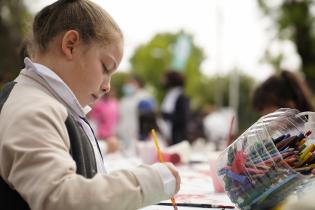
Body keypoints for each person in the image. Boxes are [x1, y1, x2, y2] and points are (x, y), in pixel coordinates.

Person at [0, 1, 180, 210]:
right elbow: (62, 198)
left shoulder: (44, 102)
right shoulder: (33, 110)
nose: (107, 86)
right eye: (106, 67)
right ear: (71, 45)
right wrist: (151, 181)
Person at [160, 70, 190, 145]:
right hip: (169, 136)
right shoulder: (169, 95)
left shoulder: (181, 97)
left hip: (177, 138)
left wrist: (166, 115)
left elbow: (182, 118)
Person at [88, 90, 120, 154]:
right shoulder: (100, 104)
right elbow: (93, 119)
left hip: (109, 133)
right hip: (105, 134)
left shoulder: (113, 103)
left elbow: (117, 118)